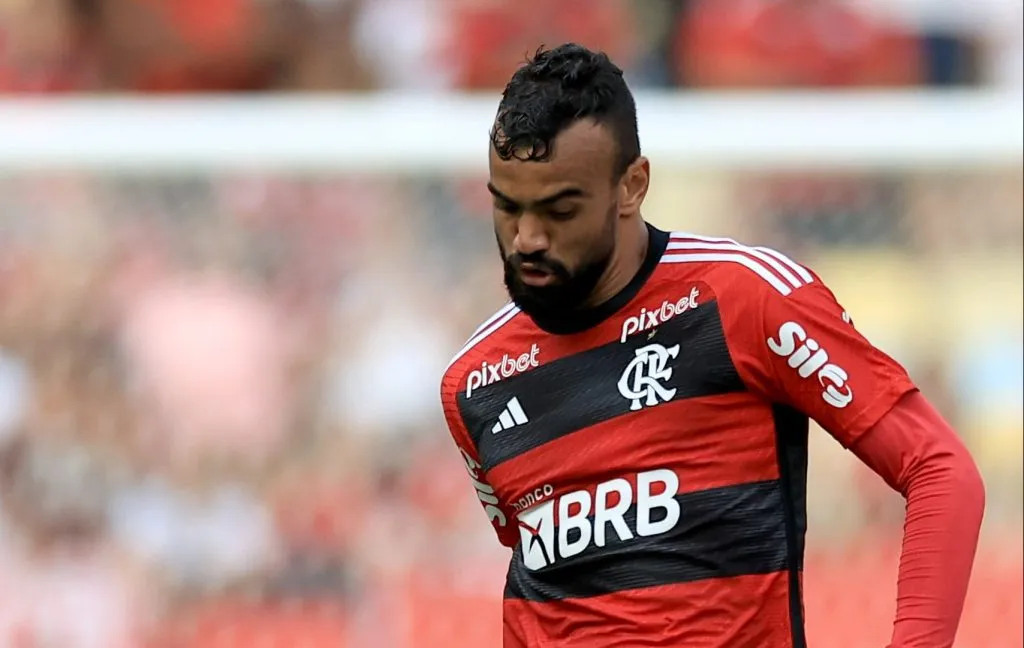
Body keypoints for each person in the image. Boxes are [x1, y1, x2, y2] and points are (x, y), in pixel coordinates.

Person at [438, 43, 985, 648]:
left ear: (632, 186)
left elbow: (940, 470)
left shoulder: (743, 298)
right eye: (507, 207)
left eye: (560, 210)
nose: (527, 238)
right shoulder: (473, 384)